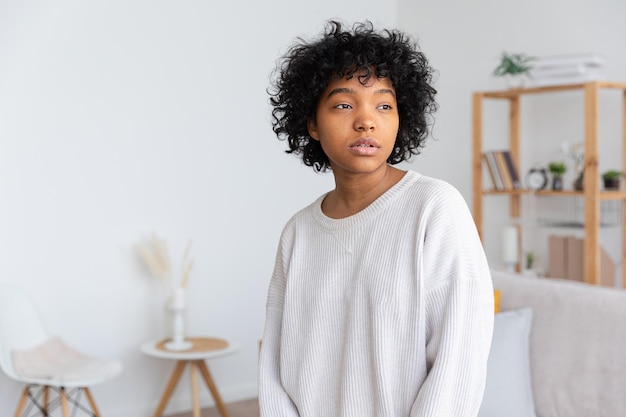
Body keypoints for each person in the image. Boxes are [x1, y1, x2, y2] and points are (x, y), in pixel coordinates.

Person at [259, 20, 493, 417]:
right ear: (312, 123)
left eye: (384, 105)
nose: (366, 120)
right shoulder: (298, 232)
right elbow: (274, 363)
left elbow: (459, 360)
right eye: (344, 104)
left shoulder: (434, 208)